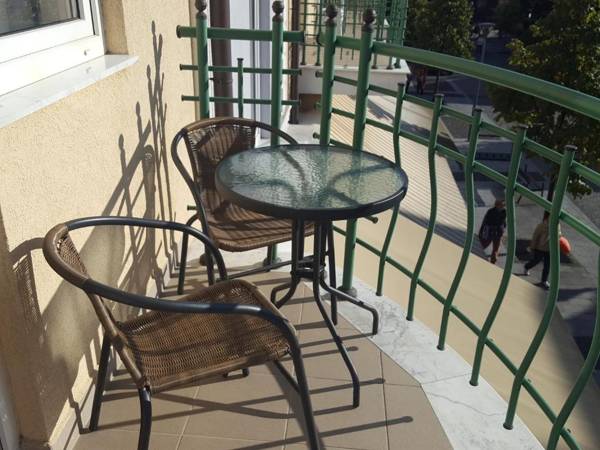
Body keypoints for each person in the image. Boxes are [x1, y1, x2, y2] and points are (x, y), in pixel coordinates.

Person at [524, 212, 558, 289]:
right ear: (548, 217)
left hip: (549, 248)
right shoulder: (542, 225)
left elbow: (559, 234)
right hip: (540, 248)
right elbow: (535, 236)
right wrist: (532, 247)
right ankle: (527, 267)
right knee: (536, 260)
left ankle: (544, 280)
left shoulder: (557, 225)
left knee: (547, 265)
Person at [479, 199, 506, 264]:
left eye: (504, 205)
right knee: (483, 245)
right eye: (502, 205)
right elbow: (485, 222)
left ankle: (493, 262)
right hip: (490, 232)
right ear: (497, 205)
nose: (503, 207)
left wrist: (503, 227)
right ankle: (477, 254)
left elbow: (503, 221)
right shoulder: (491, 212)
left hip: (498, 233)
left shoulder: (504, 212)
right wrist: (481, 232)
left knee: (495, 250)